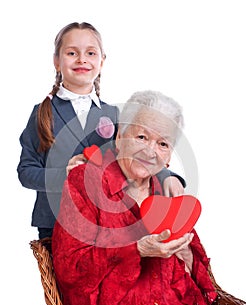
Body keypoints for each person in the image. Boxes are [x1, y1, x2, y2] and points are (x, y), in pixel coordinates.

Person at [52, 90, 230, 305]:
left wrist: (186, 257)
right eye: (142, 136)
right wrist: (136, 250)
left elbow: (203, 283)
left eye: (163, 144)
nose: (150, 151)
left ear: (169, 157)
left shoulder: (169, 192)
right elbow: (71, 269)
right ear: (120, 137)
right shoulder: (85, 182)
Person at [17, 22, 185, 240]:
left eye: (90, 53)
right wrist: (64, 176)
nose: (82, 59)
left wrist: (167, 176)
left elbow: (136, 152)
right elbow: (26, 171)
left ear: (102, 61)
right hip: (56, 222)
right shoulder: (42, 113)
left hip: (107, 221)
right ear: (57, 61)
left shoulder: (113, 114)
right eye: (71, 53)